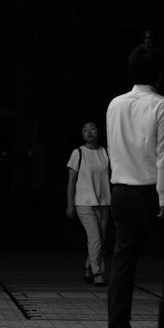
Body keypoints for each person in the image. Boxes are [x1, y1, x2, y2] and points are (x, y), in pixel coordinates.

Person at [105, 42, 164, 328]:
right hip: (149, 191)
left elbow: (115, 149)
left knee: (123, 259)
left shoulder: (114, 104)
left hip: (120, 189)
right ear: (159, 74)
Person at [66, 120, 111, 285]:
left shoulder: (106, 152)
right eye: (85, 129)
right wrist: (70, 204)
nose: (89, 132)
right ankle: (97, 273)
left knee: (101, 239)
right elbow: (71, 181)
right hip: (84, 202)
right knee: (95, 238)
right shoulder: (78, 153)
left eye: (92, 128)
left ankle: (88, 268)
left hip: (103, 202)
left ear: (98, 132)